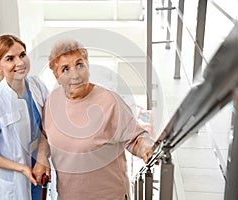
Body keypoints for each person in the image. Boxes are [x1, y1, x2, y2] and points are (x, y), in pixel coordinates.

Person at [42, 39, 155, 200]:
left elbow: (136, 138)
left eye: (79, 65)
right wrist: (41, 159)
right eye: (65, 69)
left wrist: (147, 147)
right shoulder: (53, 101)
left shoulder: (110, 102)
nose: (74, 74)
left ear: (88, 65)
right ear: (57, 76)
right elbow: (44, 136)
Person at [0, 34, 50, 200]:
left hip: (38, 176)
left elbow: (48, 128)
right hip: (11, 185)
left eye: (22, 55)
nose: (20, 62)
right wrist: (22, 168)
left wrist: (42, 158)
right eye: (10, 59)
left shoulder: (37, 86)